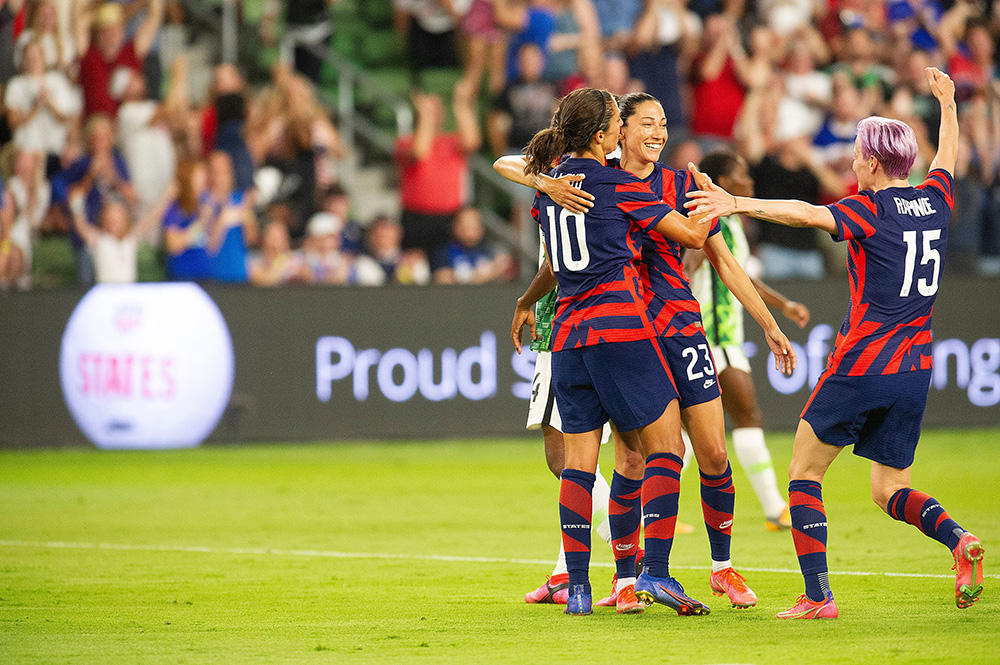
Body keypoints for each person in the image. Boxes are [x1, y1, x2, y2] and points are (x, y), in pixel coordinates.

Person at [685, 68, 984, 619]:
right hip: (915, 368)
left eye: (855, 152)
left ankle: (817, 596)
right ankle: (959, 538)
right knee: (889, 488)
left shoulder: (869, 208)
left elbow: (806, 214)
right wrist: (947, 103)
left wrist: (735, 205)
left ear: (872, 162)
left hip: (865, 361)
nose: (851, 161)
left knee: (804, 473)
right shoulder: (936, 198)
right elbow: (949, 156)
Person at [498, 92, 797, 611]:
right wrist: (720, 204)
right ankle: (632, 575)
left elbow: (722, 260)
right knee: (639, 455)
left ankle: (718, 567)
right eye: (644, 123)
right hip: (629, 331)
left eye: (663, 123)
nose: (658, 133)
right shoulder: (610, 181)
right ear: (616, 133)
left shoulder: (667, 183)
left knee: (712, 452)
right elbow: (685, 234)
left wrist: (767, 321)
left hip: (670, 330)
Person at [684, 149, 811, 531]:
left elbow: (739, 276)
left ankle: (650, 513)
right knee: (746, 417)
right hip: (712, 338)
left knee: (684, 435)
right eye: (741, 175)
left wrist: (783, 304)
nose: (750, 182)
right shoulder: (706, 219)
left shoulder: (731, 224)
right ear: (722, 183)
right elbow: (691, 261)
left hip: (722, 338)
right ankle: (775, 508)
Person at [68, 182, 174, 284]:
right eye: (110, 220)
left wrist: (166, 197)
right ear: (103, 220)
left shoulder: (130, 239)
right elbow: (81, 226)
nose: (114, 224)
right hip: (106, 293)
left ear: (125, 220)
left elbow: (151, 219)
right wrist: (76, 202)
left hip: (127, 293)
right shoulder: (99, 240)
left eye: (118, 220)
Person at [74, 0, 164, 118]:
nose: (110, 36)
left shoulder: (131, 52)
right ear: (97, 35)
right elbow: (80, 21)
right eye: (105, 31)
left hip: (128, 123)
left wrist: (138, 5)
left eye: (114, 31)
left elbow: (155, 15)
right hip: (97, 127)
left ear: (122, 32)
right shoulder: (89, 55)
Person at [431, 206, 511, 284]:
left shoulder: (487, 250)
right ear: (454, 226)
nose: (469, 231)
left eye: (474, 225)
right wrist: (483, 275)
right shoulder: (444, 250)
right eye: (464, 225)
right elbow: (442, 278)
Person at [162, 160, 212, 281]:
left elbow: (213, 245)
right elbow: (173, 245)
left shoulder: (206, 203)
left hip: (207, 276)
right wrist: (201, 223)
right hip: (182, 277)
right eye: (198, 176)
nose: (203, 180)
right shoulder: (175, 207)